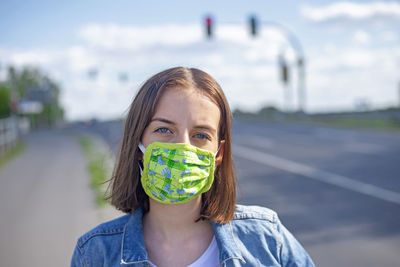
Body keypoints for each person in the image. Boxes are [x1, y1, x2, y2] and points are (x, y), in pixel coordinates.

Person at [71, 67, 315, 267]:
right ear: (137, 144)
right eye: (164, 130)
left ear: (218, 154)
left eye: (200, 135)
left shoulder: (267, 240)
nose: (183, 147)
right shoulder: (95, 254)